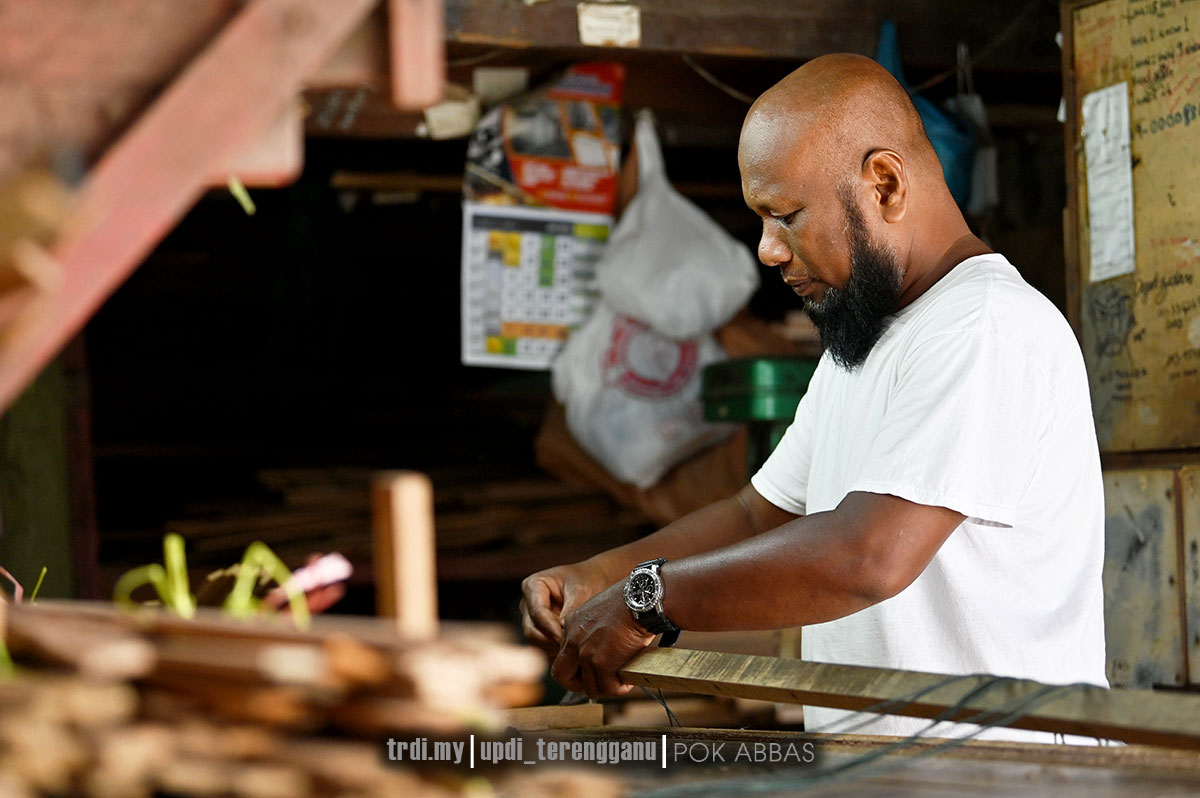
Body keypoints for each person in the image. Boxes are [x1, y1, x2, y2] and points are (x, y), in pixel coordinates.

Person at [520, 53, 1107, 740]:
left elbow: (869, 556)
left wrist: (645, 599)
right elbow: (756, 516)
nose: (769, 250)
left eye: (786, 216)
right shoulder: (867, 344)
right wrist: (598, 575)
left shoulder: (984, 328)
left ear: (883, 184)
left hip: (1012, 777)